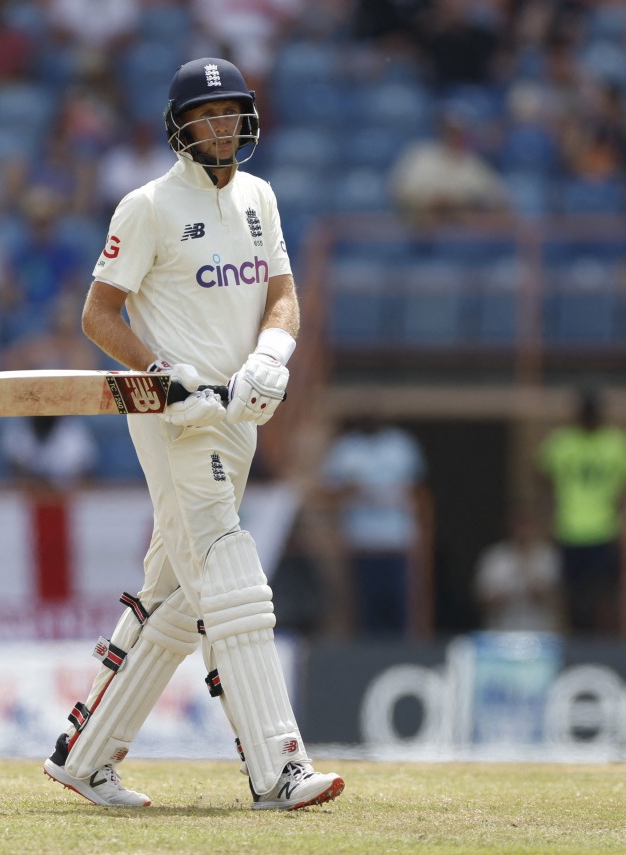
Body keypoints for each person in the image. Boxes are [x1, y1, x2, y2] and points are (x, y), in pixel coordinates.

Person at [41, 57, 344, 812]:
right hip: (178, 419)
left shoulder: (260, 197)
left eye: (231, 111)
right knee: (228, 570)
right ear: (179, 126)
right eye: (207, 114)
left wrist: (271, 356)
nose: (222, 125)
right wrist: (160, 369)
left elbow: (282, 294)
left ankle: (85, 755)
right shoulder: (146, 206)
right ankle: (278, 767)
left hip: (238, 416)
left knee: (175, 594)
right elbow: (98, 314)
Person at [538, 388, 626, 637]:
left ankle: (603, 640)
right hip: (570, 528)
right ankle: (578, 639)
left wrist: (622, 504)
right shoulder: (562, 442)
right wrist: (549, 514)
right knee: (572, 593)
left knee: (604, 592)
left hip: (605, 528)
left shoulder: (615, 442)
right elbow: (542, 475)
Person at [321, 414, 427, 637]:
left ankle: (402, 646)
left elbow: (417, 489)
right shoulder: (347, 448)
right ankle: (366, 648)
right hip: (361, 540)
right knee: (365, 603)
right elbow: (330, 491)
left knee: (399, 600)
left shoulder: (400, 445)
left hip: (396, 538)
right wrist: (354, 490)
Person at [473, 508, 562, 633]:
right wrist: (501, 598)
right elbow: (481, 601)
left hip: (539, 634)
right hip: (501, 633)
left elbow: (556, 599)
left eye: (527, 525)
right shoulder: (494, 556)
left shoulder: (548, 556)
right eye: (519, 525)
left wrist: (534, 588)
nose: (523, 531)